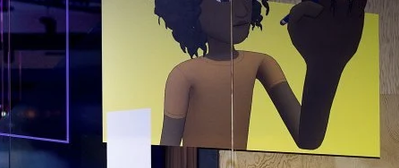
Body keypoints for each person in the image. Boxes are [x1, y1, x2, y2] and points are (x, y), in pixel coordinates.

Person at [156, 0, 367, 149]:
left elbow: (308, 139)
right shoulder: (183, 75)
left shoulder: (261, 63)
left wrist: (325, 63)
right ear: (189, 8)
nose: (242, 11)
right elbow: (168, 152)